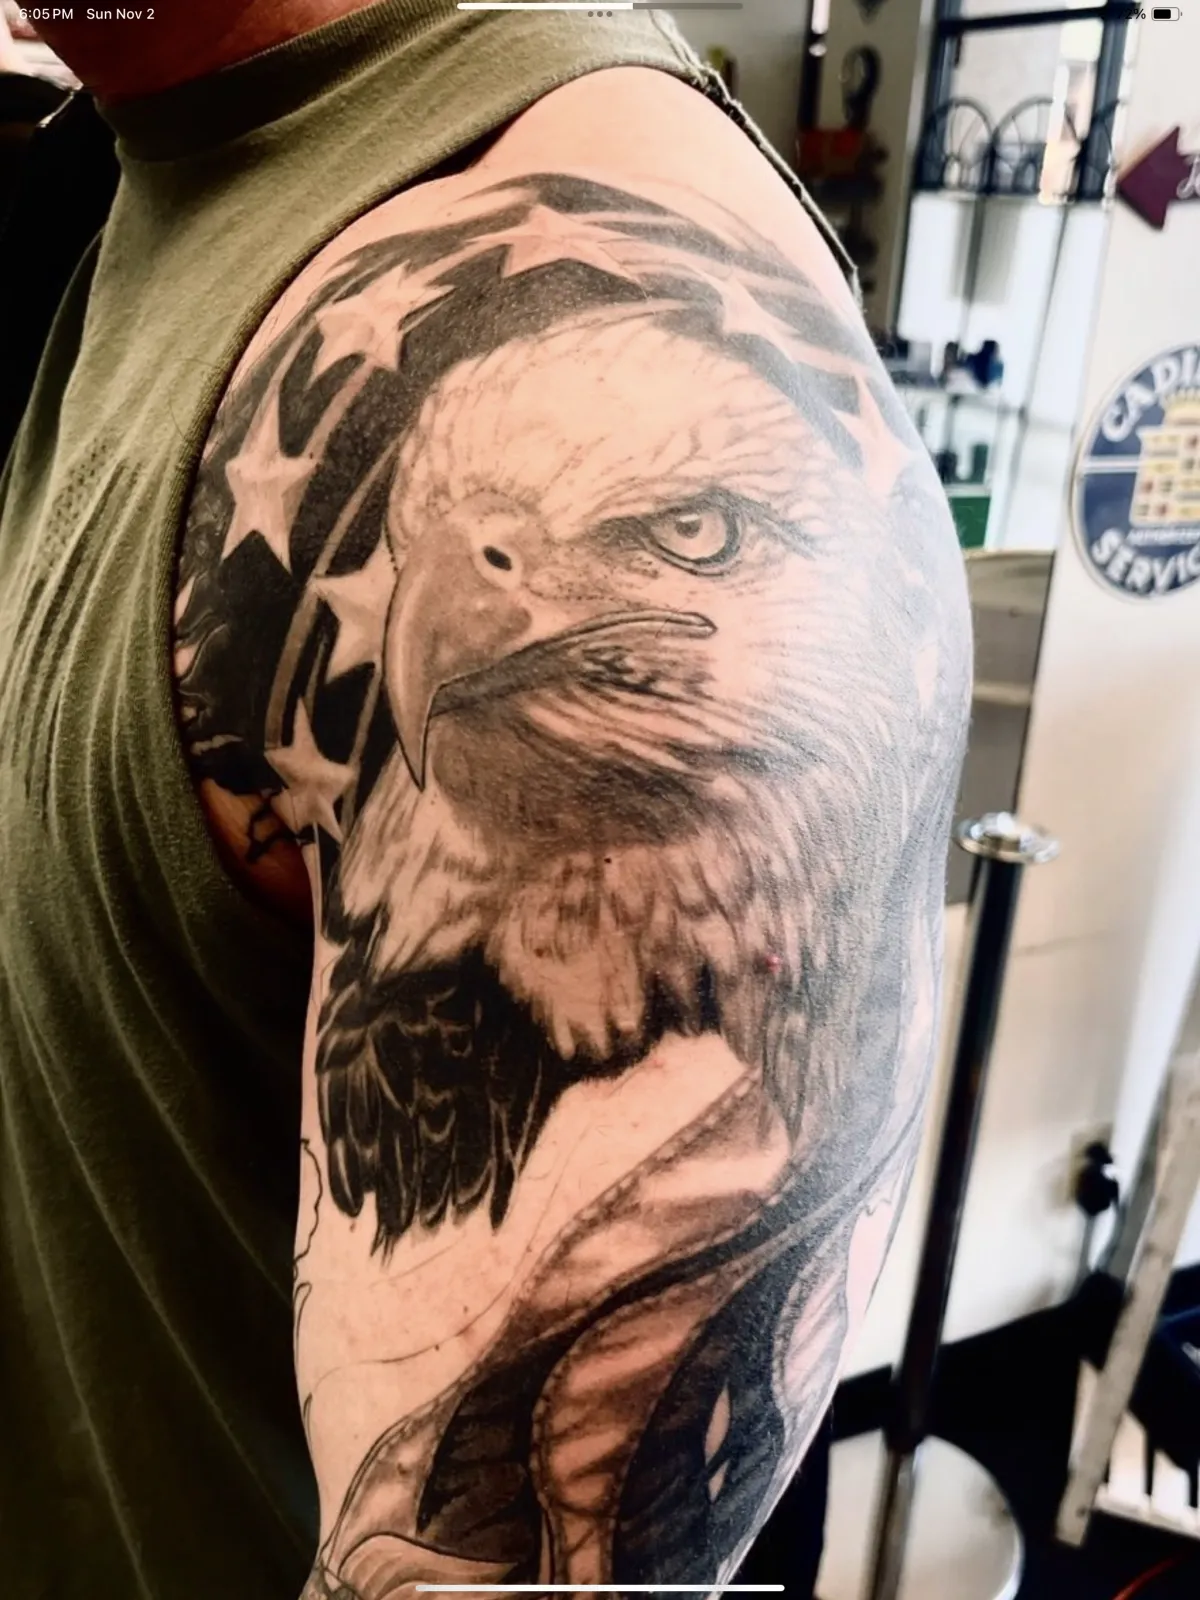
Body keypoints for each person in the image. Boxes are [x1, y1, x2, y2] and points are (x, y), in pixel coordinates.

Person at [0, 3, 973, 1596]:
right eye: (452, 534)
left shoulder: (579, 276)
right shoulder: (138, 162)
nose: (478, 576)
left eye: (688, 537)